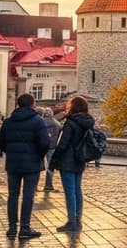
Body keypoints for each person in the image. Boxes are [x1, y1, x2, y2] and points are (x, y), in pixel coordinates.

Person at [0, 93, 50, 239]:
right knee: (28, 195)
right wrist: (38, 155)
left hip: (13, 164)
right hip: (32, 164)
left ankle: (12, 227)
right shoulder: (38, 121)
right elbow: (45, 143)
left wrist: (12, 152)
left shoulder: (8, 122)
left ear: (18, 104)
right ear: (32, 104)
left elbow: (0, 143)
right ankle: (25, 228)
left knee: (13, 195)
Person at [50, 95, 94, 233]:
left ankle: (72, 222)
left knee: (70, 191)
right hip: (80, 158)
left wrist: (53, 161)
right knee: (77, 190)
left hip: (68, 159)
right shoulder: (88, 122)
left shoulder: (71, 122)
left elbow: (63, 144)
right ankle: (78, 220)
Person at [42, 108, 61, 191]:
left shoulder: (40, 122)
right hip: (52, 147)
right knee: (50, 167)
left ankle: (34, 186)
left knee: (37, 166)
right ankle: (48, 185)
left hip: (40, 147)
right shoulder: (57, 124)